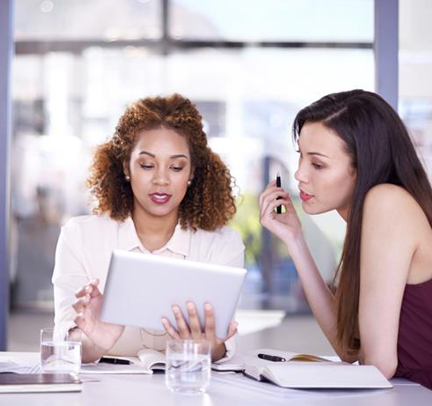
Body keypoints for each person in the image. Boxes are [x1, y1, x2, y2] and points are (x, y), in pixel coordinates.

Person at [52, 93, 244, 363]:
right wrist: (93, 341)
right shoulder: (80, 237)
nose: (161, 179)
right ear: (126, 167)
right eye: (147, 165)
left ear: (191, 174)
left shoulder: (222, 245)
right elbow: (66, 343)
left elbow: (220, 344)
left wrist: (207, 348)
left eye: (176, 167)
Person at [259, 90, 432, 389]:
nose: (299, 174)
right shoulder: (367, 218)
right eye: (301, 156)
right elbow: (348, 347)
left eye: (318, 164)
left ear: (362, 166)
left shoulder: (386, 202)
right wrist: (295, 240)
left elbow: (378, 364)